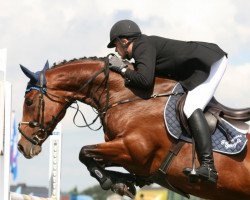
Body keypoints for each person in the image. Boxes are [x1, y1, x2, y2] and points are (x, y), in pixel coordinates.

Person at [107, 19, 228, 184]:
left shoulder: (142, 46)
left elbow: (144, 81)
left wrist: (121, 69)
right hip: (199, 65)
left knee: (191, 106)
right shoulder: (143, 46)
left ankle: (209, 167)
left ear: (124, 41)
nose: (115, 49)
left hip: (211, 62)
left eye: (115, 44)